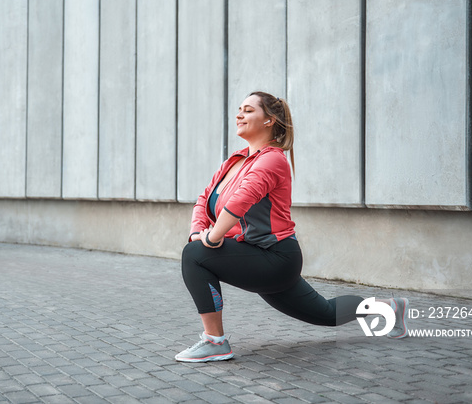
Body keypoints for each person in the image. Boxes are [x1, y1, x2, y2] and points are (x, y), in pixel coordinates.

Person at [175, 91, 409, 363]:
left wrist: (212, 238)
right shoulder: (235, 160)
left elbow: (242, 200)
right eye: (239, 109)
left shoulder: (273, 159)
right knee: (326, 313)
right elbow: (204, 197)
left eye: (248, 110)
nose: (239, 114)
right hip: (253, 253)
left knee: (194, 256)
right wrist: (196, 232)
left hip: (276, 257)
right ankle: (391, 309)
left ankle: (215, 341)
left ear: (268, 121)